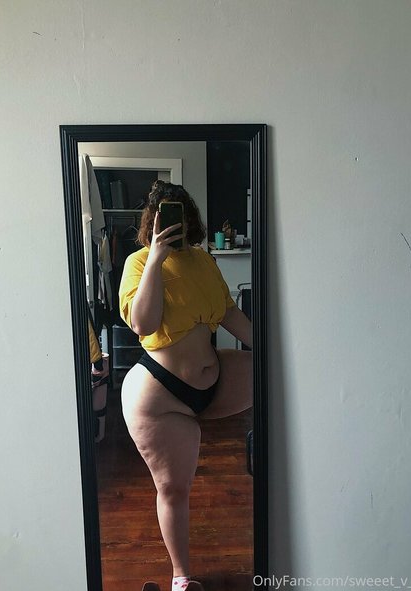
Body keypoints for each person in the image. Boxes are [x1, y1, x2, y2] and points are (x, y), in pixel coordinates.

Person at [119, 181, 253, 591]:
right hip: (160, 398)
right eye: (165, 217)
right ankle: (181, 577)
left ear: (190, 218)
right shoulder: (138, 262)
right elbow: (143, 323)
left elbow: (227, 312)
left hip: (213, 379)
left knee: (276, 377)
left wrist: (274, 347)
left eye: (180, 214)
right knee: (174, 489)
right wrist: (156, 259)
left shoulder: (204, 261)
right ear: (153, 221)